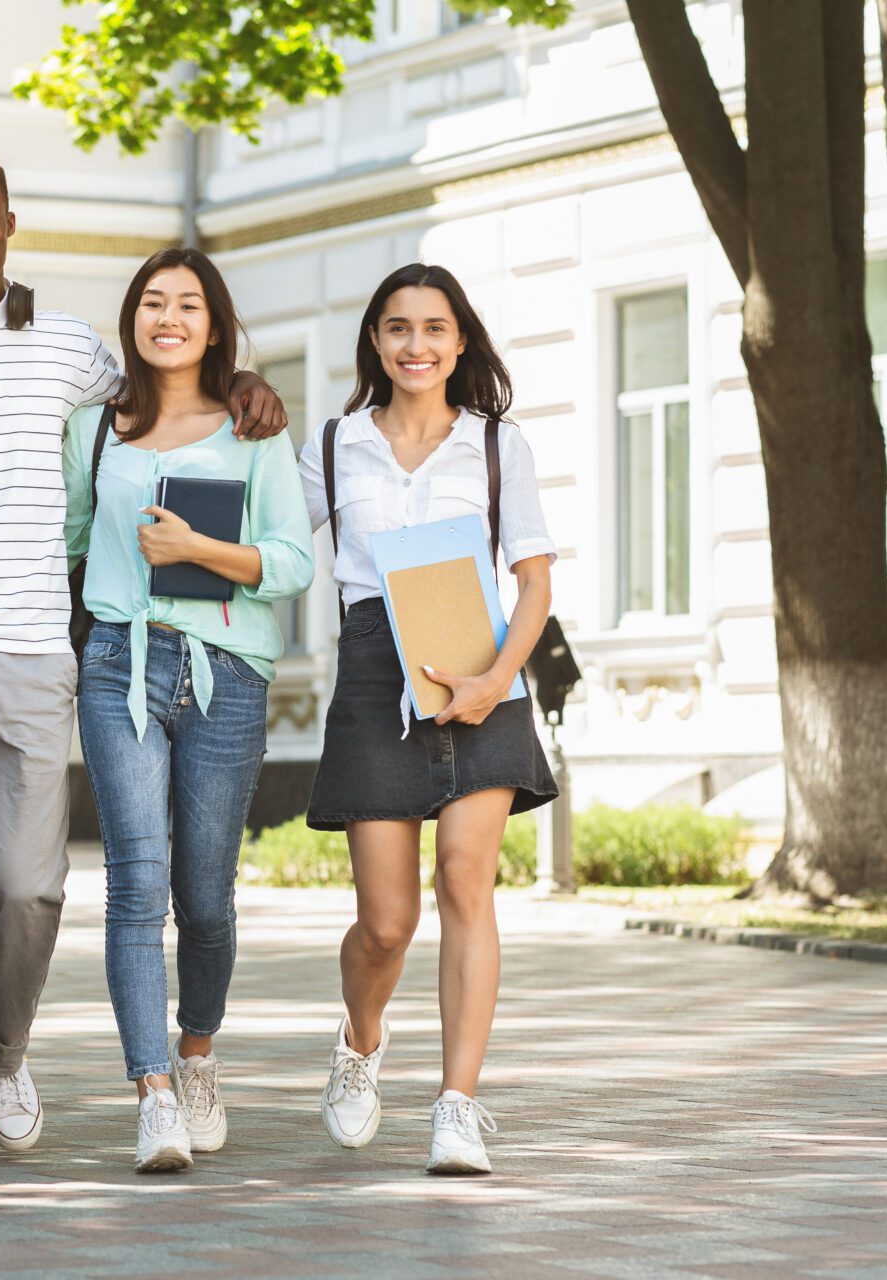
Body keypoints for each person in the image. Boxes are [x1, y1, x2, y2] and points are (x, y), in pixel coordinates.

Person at [0, 145, 290, 1178]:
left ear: (8, 220)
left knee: (33, 887)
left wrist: (246, 385)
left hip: (38, 646)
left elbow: (171, 400)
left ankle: (2, 1053)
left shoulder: (78, 350)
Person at [295, 262, 559, 1175]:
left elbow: (532, 581)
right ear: (375, 340)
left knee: (465, 882)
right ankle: (361, 1043)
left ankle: (458, 1104)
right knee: (387, 922)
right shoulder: (333, 445)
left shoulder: (496, 446)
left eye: (435, 328)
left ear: (459, 342)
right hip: (376, 674)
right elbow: (280, 550)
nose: (417, 345)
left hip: (484, 671)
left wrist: (495, 680)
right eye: (399, 328)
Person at [63, 247, 314, 1173]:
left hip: (229, 673)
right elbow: (66, 541)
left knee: (204, 895)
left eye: (190, 305)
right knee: (135, 882)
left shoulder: (254, 429)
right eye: (153, 303)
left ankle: (197, 1056)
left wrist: (203, 548)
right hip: (118, 662)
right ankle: (152, 1095)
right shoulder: (96, 429)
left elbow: (291, 563)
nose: (169, 317)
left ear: (214, 325)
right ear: (133, 318)